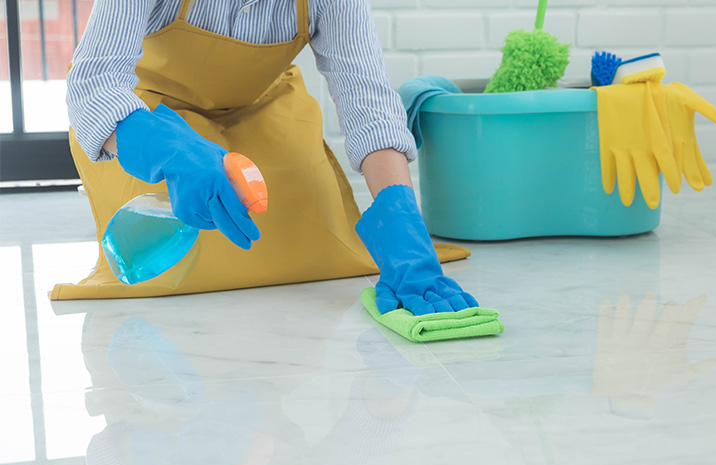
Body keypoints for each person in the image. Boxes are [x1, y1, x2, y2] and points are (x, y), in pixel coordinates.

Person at [63, 0, 477, 315]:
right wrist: (169, 152)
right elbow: (93, 82)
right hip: (149, 121)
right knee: (177, 264)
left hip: (260, 108)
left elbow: (365, 97)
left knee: (315, 241)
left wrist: (399, 215)